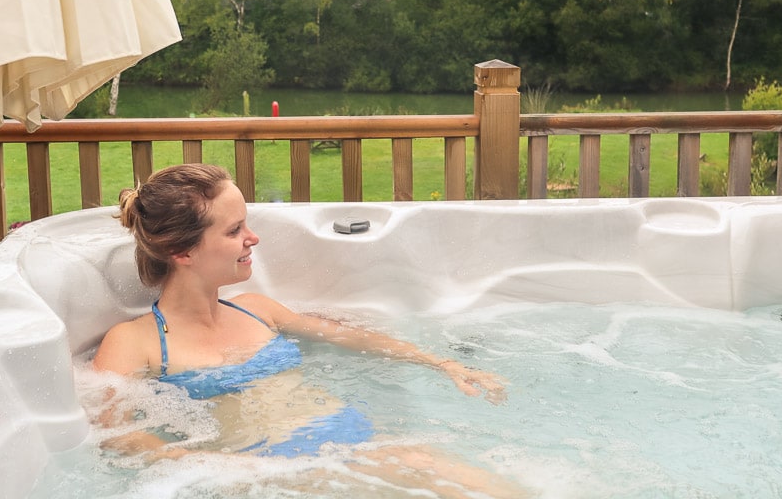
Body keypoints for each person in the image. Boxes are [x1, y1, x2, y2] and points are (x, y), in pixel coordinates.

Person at [91, 163, 527, 498]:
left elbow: (352, 337)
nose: (254, 238)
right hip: (275, 472)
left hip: (355, 443)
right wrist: (209, 464)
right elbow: (116, 437)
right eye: (234, 230)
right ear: (181, 251)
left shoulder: (257, 310)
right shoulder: (136, 342)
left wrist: (441, 362)